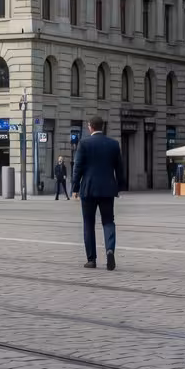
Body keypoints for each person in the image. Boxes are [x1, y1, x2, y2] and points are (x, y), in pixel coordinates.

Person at [72, 115, 122, 270]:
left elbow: (77, 167)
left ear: (90, 127)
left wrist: (75, 188)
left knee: (88, 223)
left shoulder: (84, 143)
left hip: (88, 189)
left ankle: (91, 259)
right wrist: (119, 186)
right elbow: (119, 168)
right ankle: (109, 250)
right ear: (103, 126)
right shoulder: (113, 144)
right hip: (107, 189)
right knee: (108, 221)